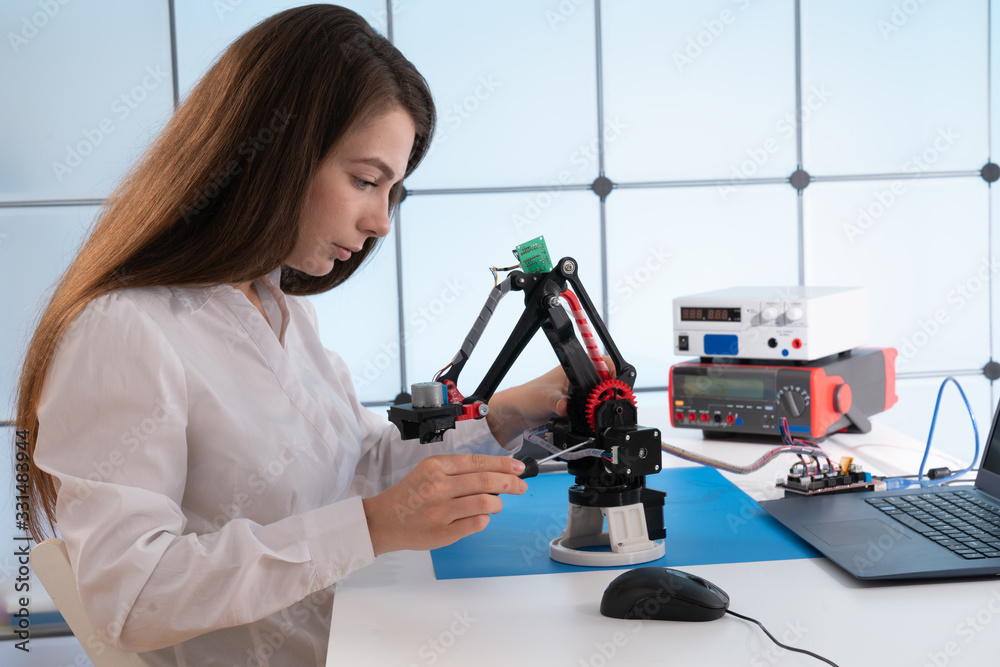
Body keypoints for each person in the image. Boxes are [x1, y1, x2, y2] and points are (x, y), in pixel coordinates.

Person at [15, 6, 571, 665]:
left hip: (364, 639)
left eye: (391, 190)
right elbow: (129, 598)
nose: (381, 222)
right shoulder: (124, 330)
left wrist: (510, 409)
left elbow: (360, 465)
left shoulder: (277, 306)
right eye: (366, 180)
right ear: (271, 152)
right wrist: (368, 527)